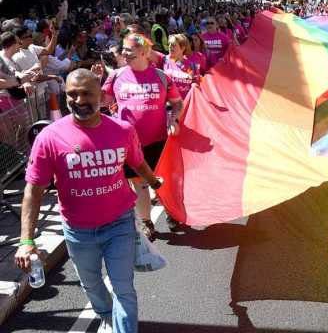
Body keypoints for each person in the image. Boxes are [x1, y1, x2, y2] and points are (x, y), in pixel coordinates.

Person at [15, 68, 163, 333]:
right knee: (92, 285)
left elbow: (137, 163)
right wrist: (27, 241)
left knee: (124, 288)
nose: (79, 100)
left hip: (119, 225)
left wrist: (154, 183)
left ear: (101, 95)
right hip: (79, 231)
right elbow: (33, 190)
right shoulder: (49, 137)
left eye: (87, 93)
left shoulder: (123, 129)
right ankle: (106, 314)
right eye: (72, 94)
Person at [99, 33, 183, 239]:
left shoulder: (162, 77)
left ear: (144, 52)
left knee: (163, 181)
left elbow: (178, 103)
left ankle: (172, 212)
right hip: (129, 143)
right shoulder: (116, 76)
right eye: (124, 49)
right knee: (139, 184)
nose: (124, 53)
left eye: (129, 50)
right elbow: (101, 102)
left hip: (157, 140)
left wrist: (174, 120)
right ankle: (146, 222)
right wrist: (96, 81)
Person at [164, 34, 200, 99]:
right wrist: (138, 38)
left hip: (187, 105)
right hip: (170, 106)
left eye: (173, 45)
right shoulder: (164, 60)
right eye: (169, 44)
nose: (170, 47)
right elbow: (147, 47)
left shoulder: (193, 66)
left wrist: (194, 85)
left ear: (182, 48)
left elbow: (197, 89)